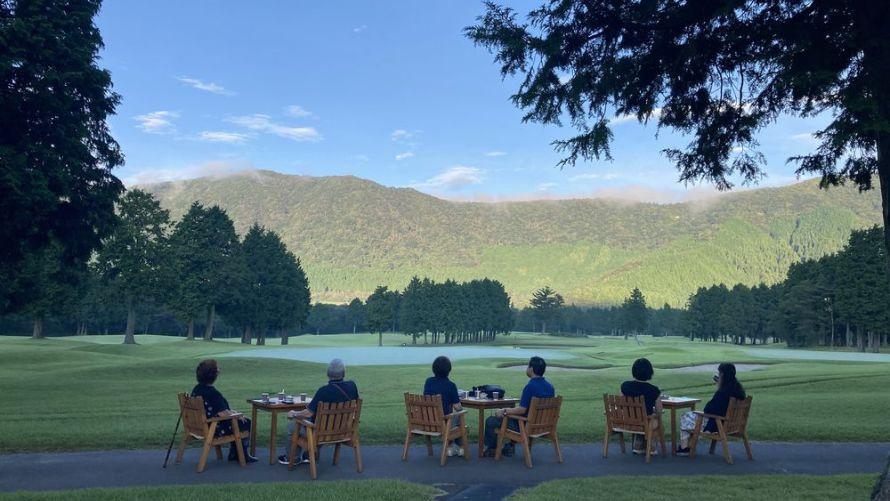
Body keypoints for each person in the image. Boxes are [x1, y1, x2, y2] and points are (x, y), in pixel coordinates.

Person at [278, 358, 359, 465]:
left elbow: (309, 412)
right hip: (344, 431)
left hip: (322, 434)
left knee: (291, 427)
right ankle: (309, 456)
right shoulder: (352, 386)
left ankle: (293, 458)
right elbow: (356, 403)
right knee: (320, 423)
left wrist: (294, 414)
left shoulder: (323, 391)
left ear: (328, 374)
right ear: (344, 373)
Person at [482, 356, 554, 457]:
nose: (527, 368)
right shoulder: (550, 387)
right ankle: (510, 446)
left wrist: (504, 411)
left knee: (491, 421)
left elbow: (521, 410)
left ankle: (492, 450)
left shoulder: (530, 387)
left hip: (527, 426)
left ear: (531, 369)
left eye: (528, 366)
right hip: (543, 427)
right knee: (513, 418)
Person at [190, 359, 257, 463]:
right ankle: (242, 455)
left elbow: (221, 410)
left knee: (238, 420)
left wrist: (233, 412)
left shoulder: (197, 389)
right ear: (213, 375)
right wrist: (238, 415)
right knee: (244, 422)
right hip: (214, 428)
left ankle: (234, 453)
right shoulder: (213, 394)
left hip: (201, 426)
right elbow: (223, 414)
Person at [676, 362, 746, 456]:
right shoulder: (739, 391)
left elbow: (708, 409)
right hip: (731, 424)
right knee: (690, 418)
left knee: (685, 416)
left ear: (722, 374)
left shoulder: (722, 393)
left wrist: (719, 388)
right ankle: (688, 446)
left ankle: (684, 448)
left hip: (718, 424)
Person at [621, 358, 662, 455]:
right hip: (645, 423)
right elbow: (659, 411)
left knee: (642, 418)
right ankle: (651, 446)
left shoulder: (625, 386)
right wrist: (655, 413)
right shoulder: (654, 390)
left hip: (628, 422)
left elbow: (622, 403)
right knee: (654, 418)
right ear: (650, 372)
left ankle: (638, 445)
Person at [424, 355, 464, 457]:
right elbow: (458, 407)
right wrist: (461, 408)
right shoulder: (451, 385)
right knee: (460, 415)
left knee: (455, 417)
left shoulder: (428, 382)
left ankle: (452, 446)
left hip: (429, 422)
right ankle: (457, 446)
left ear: (434, 369)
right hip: (443, 423)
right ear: (449, 370)